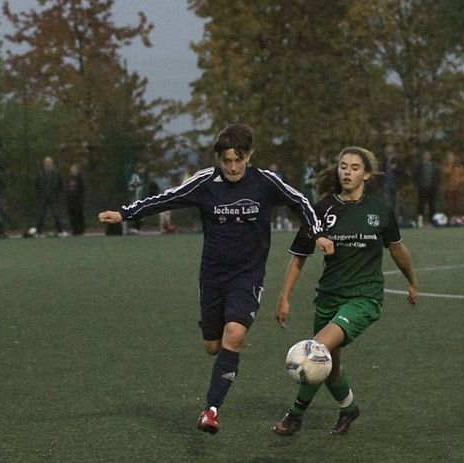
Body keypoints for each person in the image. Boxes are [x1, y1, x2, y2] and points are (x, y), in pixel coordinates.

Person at [98, 123, 334, 434]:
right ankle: (221, 359)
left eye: (239, 160)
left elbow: (300, 201)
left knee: (234, 334)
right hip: (212, 275)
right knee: (213, 346)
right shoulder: (205, 183)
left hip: (248, 274)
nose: (233, 167)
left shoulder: (264, 182)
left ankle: (211, 410)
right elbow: (166, 198)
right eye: (227, 161)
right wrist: (125, 214)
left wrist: (317, 233)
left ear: (249, 156)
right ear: (218, 158)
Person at [273, 146, 418, 437]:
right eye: (343, 166)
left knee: (315, 352)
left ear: (366, 174)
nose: (347, 172)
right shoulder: (322, 210)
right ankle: (349, 409)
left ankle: (295, 416)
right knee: (330, 370)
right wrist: (284, 296)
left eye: (354, 167)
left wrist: (412, 281)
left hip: (364, 298)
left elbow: (398, 249)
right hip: (328, 297)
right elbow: (299, 256)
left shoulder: (379, 211)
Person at [32, 156, 67, 237]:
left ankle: (60, 232)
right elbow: (36, 185)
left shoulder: (57, 173)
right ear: (44, 164)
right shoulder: (40, 173)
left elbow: (61, 185)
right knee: (41, 215)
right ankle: (38, 232)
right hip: (43, 197)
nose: (48, 164)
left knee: (56, 214)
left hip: (54, 197)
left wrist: (58, 194)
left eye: (49, 162)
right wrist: (39, 195)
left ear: (52, 163)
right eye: (46, 163)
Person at [412, 149, 440, 227]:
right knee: (421, 205)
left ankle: (431, 221)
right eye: (426, 155)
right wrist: (418, 185)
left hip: (432, 188)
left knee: (432, 205)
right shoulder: (419, 165)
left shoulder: (434, 165)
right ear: (423, 156)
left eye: (429, 155)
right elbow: (415, 176)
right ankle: (420, 221)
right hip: (422, 188)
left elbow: (438, 177)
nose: (427, 156)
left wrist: (436, 185)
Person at [441, 151, 464, 217]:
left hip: (458, 188)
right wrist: (450, 165)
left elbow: (463, 175)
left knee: (458, 204)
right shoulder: (445, 165)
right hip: (449, 188)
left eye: (452, 157)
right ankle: (451, 218)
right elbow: (447, 173)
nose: (451, 159)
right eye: (449, 157)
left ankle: (458, 218)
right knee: (450, 205)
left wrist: (460, 180)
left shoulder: (459, 165)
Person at [381, 144, 401, 221]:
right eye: (387, 150)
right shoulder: (383, 161)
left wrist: (396, 168)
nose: (389, 152)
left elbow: (402, 172)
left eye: (390, 150)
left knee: (397, 203)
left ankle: (397, 219)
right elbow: (380, 172)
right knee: (387, 202)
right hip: (386, 184)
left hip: (396, 184)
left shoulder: (397, 160)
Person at [65, 163, 85, 236]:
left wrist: (80, 198)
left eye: (74, 169)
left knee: (79, 215)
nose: (73, 171)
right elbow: (66, 189)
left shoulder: (80, 178)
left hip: (78, 201)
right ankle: (75, 230)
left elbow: (82, 189)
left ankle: (81, 230)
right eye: (72, 169)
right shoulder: (68, 179)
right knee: (72, 216)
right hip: (70, 201)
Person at [127, 164, 146, 234]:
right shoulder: (135, 176)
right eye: (142, 169)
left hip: (139, 199)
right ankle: (133, 228)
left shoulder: (141, 177)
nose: (143, 171)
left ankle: (136, 228)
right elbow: (131, 185)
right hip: (135, 199)